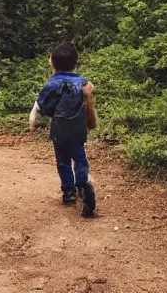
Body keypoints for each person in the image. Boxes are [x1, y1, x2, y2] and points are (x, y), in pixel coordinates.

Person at [28, 42, 98, 218]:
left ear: (52, 63)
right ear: (76, 63)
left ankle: (69, 191)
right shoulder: (82, 82)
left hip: (60, 129)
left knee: (63, 161)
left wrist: (33, 116)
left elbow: (41, 103)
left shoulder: (53, 83)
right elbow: (90, 91)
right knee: (80, 158)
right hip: (78, 129)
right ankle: (83, 181)